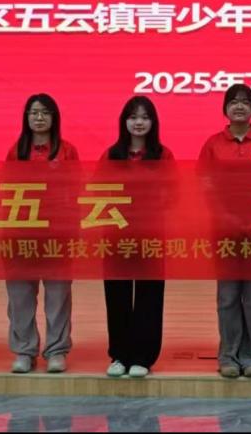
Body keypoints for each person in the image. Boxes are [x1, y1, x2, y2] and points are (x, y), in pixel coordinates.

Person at [198, 84, 251, 379]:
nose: (239, 106)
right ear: (225, 108)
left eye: (245, 102)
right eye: (233, 101)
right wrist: (226, 218)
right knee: (228, 296)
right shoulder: (213, 144)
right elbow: (205, 186)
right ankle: (228, 356)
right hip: (224, 230)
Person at [5, 93, 80, 374]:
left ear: (54, 118)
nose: (39, 118)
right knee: (20, 296)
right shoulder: (16, 151)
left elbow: (75, 191)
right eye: (34, 113)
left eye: (45, 113)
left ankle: (56, 350)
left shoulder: (67, 151)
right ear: (26, 118)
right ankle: (24, 350)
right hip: (21, 232)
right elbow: (6, 191)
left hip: (57, 233)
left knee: (58, 294)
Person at [101, 96, 174, 379]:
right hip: (116, 236)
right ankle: (120, 355)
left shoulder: (163, 155)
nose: (139, 122)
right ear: (124, 122)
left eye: (144, 117)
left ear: (153, 122)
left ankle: (143, 356)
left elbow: (172, 193)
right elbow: (97, 190)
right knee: (117, 295)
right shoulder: (111, 155)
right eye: (133, 117)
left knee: (149, 295)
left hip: (150, 234)